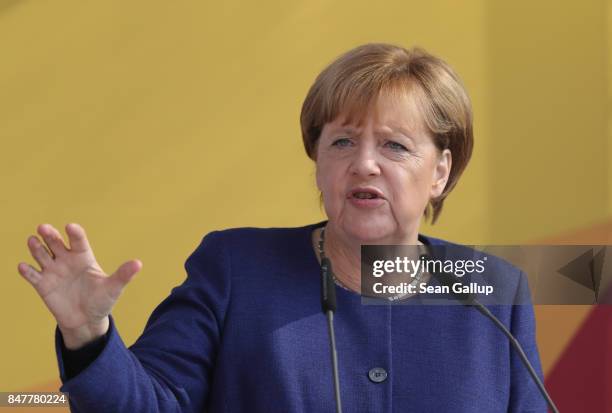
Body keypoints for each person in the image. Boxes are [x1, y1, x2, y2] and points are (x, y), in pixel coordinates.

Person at [18, 43, 546, 412]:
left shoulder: (490, 289)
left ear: (440, 172)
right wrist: (88, 335)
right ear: (317, 160)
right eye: (341, 142)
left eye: (395, 145)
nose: (364, 164)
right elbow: (150, 404)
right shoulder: (235, 270)